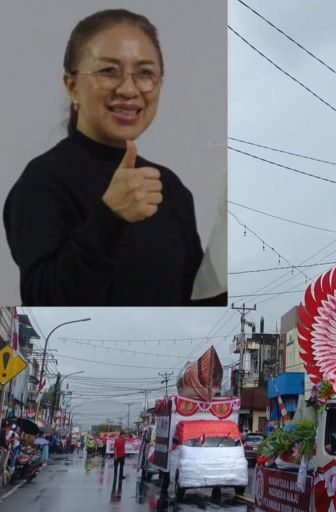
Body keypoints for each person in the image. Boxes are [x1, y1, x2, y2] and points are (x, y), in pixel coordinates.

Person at [3, 9, 203, 306]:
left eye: (145, 73)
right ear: (72, 86)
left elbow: (196, 301)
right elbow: (44, 302)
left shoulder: (169, 187)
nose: (128, 89)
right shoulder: (43, 182)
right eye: (109, 71)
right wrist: (109, 218)